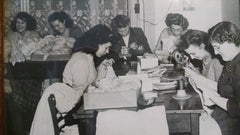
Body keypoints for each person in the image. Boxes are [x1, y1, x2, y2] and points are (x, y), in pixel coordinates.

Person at [30, 24, 115, 135]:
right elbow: (81, 98)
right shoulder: (81, 60)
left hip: (78, 107)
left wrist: (101, 72)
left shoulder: (88, 57)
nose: (108, 51)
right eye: (106, 47)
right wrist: (99, 78)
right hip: (74, 115)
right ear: (97, 44)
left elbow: (87, 86)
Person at [184, 21, 240, 135]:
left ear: (230, 41)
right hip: (222, 116)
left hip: (234, 124)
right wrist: (195, 77)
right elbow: (221, 88)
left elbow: (237, 108)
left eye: (217, 47)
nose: (215, 52)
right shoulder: (230, 62)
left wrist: (213, 98)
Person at [5, 12, 42, 135]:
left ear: (28, 23)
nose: (20, 25)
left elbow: (32, 52)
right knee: (17, 101)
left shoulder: (34, 34)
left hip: (32, 74)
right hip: (16, 75)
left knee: (32, 104)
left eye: (23, 22)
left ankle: (32, 130)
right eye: (18, 22)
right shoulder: (11, 35)